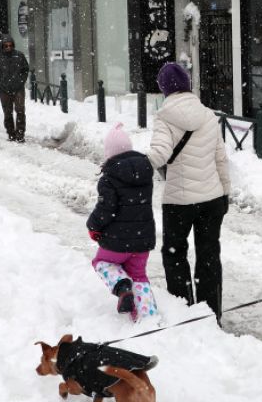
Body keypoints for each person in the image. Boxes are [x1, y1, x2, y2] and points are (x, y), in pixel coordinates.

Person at [147, 62, 231, 317]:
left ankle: (183, 311)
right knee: (209, 256)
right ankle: (210, 313)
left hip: (179, 203)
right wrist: (225, 192)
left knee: (175, 254)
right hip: (212, 199)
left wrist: (135, 163)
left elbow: (159, 155)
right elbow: (220, 158)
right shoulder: (208, 114)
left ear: (164, 89)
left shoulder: (165, 117)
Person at [88, 124, 161, 323]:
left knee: (102, 263)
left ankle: (122, 286)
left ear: (109, 153)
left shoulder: (109, 178)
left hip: (117, 241)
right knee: (139, 275)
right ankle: (148, 318)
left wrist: (93, 226)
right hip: (142, 240)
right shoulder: (145, 173)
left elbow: (106, 210)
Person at [0, 34, 30, 142]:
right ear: (2, 46)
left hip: (18, 88)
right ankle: (11, 133)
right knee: (7, 113)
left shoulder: (19, 56)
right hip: (4, 90)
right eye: (6, 46)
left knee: (20, 110)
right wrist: (0, 82)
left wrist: (21, 81)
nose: (8, 47)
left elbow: (25, 70)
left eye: (10, 45)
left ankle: (20, 134)